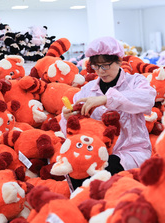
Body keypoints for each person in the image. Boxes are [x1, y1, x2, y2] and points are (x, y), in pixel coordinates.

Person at [60, 36, 156, 188]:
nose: (101, 71)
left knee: (103, 171)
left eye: (105, 65)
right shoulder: (88, 89)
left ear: (119, 60)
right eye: (96, 67)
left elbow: (147, 99)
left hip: (130, 151)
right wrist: (67, 117)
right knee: (77, 166)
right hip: (95, 150)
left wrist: (106, 99)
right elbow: (70, 130)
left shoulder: (135, 82)